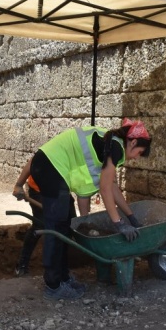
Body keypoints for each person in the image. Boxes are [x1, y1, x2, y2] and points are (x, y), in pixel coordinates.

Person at [14, 119, 152, 301]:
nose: (135, 157)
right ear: (133, 142)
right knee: (56, 229)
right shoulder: (116, 147)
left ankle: (63, 277)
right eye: (139, 153)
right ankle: (53, 285)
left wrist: (131, 217)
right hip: (50, 168)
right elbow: (104, 190)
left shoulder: (112, 144)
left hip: (53, 170)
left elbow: (112, 187)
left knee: (67, 225)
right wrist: (119, 224)